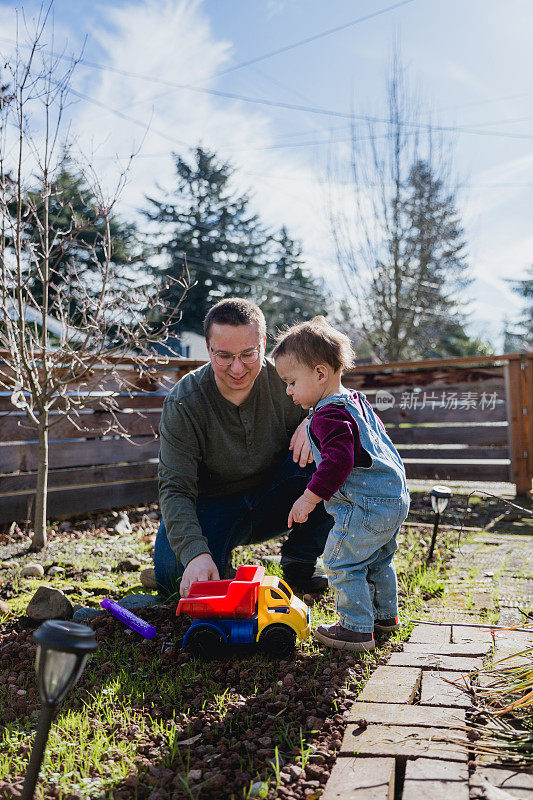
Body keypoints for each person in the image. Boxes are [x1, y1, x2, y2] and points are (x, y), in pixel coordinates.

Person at [154, 298, 333, 600]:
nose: (237, 368)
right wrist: (196, 554)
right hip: (212, 505)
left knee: (334, 450)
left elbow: (342, 397)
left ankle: (300, 561)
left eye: (248, 354)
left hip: (277, 497)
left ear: (264, 343)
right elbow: (175, 488)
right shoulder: (184, 402)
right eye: (223, 356)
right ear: (208, 349)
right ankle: (216, 562)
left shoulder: (289, 380)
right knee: (173, 577)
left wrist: (318, 418)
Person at [272, 316, 410, 652]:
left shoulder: (327, 415)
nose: (288, 391)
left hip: (365, 504)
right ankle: (384, 617)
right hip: (393, 498)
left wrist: (308, 499)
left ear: (320, 373)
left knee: (340, 560)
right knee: (377, 558)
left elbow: (338, 462)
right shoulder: (355, 401)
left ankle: (356, 629)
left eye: (291, 382)